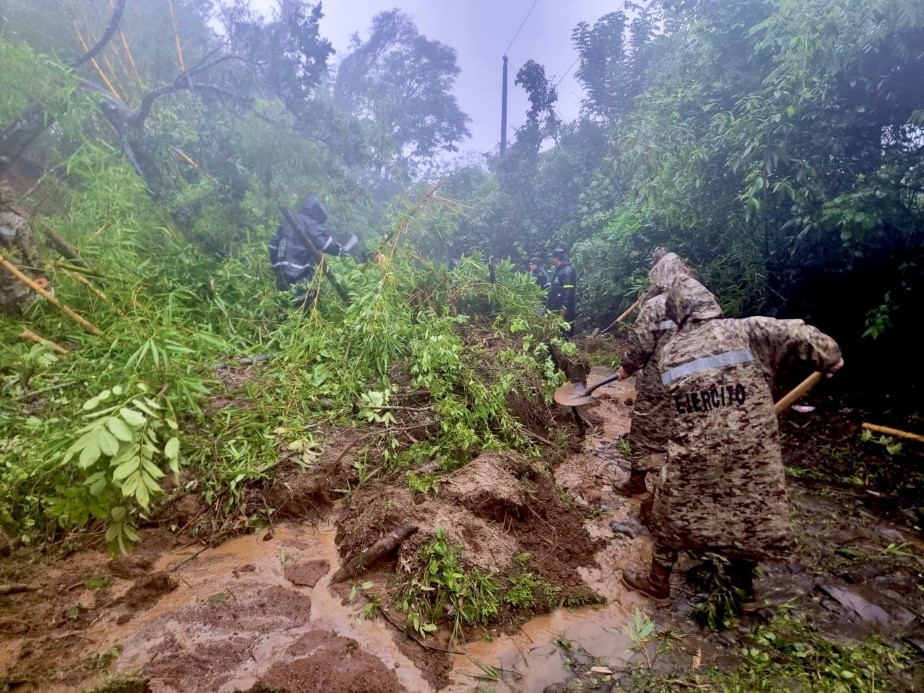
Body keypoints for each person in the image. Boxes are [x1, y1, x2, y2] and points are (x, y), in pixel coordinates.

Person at [621, 273, 843, 607]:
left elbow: (675, 404)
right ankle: (744, 591)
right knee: (749, 510)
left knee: (669, 510)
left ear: (679, 313)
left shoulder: (672, 354)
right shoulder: (747, 330)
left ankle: (658, 582)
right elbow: (800, 332)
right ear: (709, 303)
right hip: (751, 452)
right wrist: (829, 356)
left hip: (695, 452)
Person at [612, 250, 693, 497]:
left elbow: (641, 344)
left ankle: (637, 484)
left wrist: (627, 367)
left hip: (660, 380)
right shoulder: (702, 301)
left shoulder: (656, 306)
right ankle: (677, 488)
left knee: (644, 426)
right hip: (694, 378)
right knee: (684, 428)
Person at [269, 196, 351, 308]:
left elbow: (272, 245)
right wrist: (343, 250)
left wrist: (276, 264)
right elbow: (327, 244)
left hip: (280, 272)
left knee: (285, 304)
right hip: (297, 271)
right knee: (304, 305)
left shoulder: (287, 221)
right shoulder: (309, 223)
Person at [546, 248, 576, 337]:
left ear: (556, 258)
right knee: (555, 330)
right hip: (555, 304)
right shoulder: (558, 270)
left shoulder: (567, 271)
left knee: (564, 329)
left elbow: (569, 291)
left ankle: (566, 348)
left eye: (551, 257)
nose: (550, 260)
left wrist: (564, 306)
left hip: (563, 306)